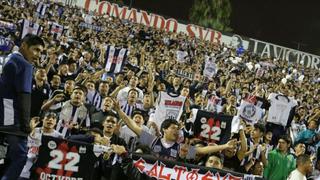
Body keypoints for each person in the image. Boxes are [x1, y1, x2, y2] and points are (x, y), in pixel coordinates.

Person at [0, 34, 44, 180]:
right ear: (24, 45)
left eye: (40, 52)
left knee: (7, 158)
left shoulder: (8, 58)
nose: (38, 55)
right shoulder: (25, 64)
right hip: (12, 119)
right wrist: (26, 125)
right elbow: (25, 96)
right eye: (36, 50)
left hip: (3, 116)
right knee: (19, 157)